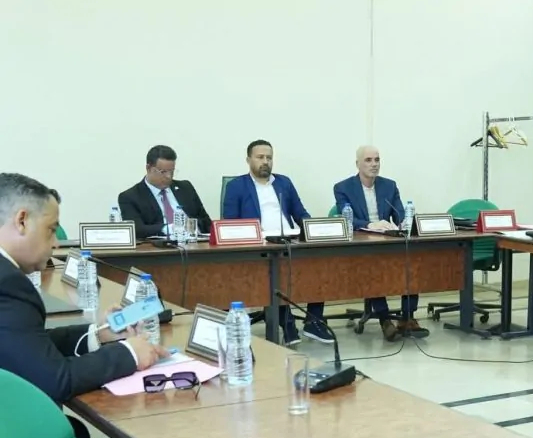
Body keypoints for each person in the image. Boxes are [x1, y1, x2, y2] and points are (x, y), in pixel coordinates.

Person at [0, 173, 166, 438]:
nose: (55, 244)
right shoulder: (8, 284)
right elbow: (55, 379)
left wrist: (97, 335)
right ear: (22, 220)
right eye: (51, 229)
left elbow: (23, 345)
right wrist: (129, 354)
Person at [222, 140, 330, 346]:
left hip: (289, 239)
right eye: (260, 157)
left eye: (269, 158)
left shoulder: (284, 182)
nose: (265, 161)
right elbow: (230, 222)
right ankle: (288, 325)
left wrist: (315, 230)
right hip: (259, 246)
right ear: (248, 160)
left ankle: (314, 322)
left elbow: (300, 213)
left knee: (319, 265)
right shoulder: (236, 186)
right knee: (275, 272)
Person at [332, 146, 426, 340]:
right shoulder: (342, 188)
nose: (374, 164)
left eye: (377, 160)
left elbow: (399, 214)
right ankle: (384, 319)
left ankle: (408, 317)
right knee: (373, 267)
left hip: (386, 240)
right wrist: (370, 224)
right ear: (358, 164)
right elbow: (346, 218)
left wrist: (404, 222)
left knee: (412, 260)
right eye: (368, 160)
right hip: (360, 244)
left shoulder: (389, 186)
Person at [117, 145, 213, 241]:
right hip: (158, 247)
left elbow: (206, 222)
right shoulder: (130, 197)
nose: (168, 176)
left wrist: (191, 226)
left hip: (195, 243)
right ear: (148, 168)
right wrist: (168, 229)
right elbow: (136, 230)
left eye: (171, 171)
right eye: (163, 172)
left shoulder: (185, 188)